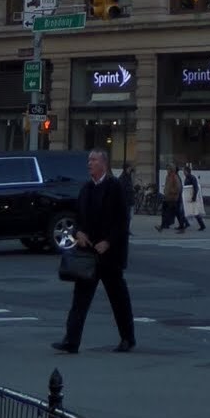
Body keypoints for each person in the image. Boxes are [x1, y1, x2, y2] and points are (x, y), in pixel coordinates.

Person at [52, 149, 136, 354]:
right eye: (89, 160)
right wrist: (79, 231)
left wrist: (108, 241)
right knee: (80, 299)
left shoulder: (115, 187)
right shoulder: (87, 188)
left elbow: (122, 221)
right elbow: (78, 216)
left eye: (94, 160)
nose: (89, 163)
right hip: (88, 254)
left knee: (118, 298)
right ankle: (71, 340)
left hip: (110, 255)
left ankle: (127, 338)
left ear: (104, 164)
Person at [157, 163, 185, 231]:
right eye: (167, 169)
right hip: (167, 197)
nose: (167, 170)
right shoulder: (168, 176)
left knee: (174, 212)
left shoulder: (174, 176)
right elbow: (167, 185)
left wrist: (171, 191)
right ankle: (164, 225)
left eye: (168, 169)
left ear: (171, 169)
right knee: (167, 212)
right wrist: (165, 190)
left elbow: (178, 188)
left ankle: (180, 225)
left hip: (172, 198)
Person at [181, 164, 206, 232]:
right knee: (186, 211)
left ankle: (202, 225)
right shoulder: (187, 178)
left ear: (187, 171)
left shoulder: (192, 178)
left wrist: (194, 197)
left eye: (184, 171)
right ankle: (185, 224)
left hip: (192, 197)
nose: (183, 172)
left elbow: (195, 187)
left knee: (194, 212)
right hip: (188, 197)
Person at [117, 163, 135, 229]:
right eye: (129, 168)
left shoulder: (128, 176)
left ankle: (126, 229)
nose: (130, 170)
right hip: (126, 200)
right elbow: (123, 188)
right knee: (126, 216)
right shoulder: (123, 177)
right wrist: (131, 189)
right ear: (126, 168)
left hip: (129, 199)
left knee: (129, 216)